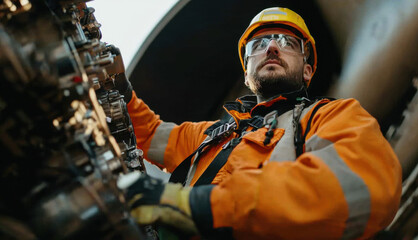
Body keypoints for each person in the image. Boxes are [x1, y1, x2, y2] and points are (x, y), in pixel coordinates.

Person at [115, 7, 402, 239]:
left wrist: (203, 206)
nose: (273, 47)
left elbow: (361, 183)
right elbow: (149, 133)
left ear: (308, 69)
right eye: (259, 44)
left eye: (287, 42)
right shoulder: (211, 136)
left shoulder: (332, 116)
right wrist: (120, 90)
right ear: (246, 75)